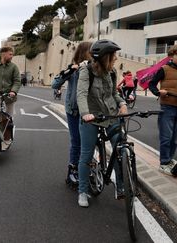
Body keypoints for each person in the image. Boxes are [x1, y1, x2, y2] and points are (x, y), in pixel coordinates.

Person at [76, 39, 128, 207]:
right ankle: (82, 191)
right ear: (105, 57)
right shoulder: (86, 71)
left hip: (111, 115)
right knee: (86, 155)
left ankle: (121, 186)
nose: (116, 59)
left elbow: (114, 93)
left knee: (120, 149)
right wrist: (85, 114)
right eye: (113, 56)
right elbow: (81, 94)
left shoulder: (112, 72)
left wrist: (122, 103)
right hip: (92, 117)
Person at [52, 41, 93, 189]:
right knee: (77, 142)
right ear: (84, 53)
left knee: (89, 144)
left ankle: (87, 169)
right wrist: (71, 70)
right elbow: (55, 84)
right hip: (74, 111)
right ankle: (72, 171)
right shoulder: (73, 69)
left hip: (90, 112)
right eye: (91, 51)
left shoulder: (94, 67)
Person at [148, 44, 177, 175]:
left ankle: (169, 159)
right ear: (172, 55)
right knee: (166, 136)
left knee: (175, 137)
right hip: (167, 106)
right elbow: (152, 84)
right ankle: (164, 162)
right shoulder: (164, 69)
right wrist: (158, 92)